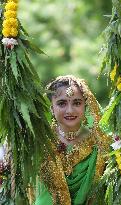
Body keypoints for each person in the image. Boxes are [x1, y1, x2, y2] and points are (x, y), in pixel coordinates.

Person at [33, 75, 110, 205]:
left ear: (85, 106)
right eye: (62, 103)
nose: (70, 110)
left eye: (77, 103)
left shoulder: (101, 143)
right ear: (52, 108)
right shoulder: (41, 142)